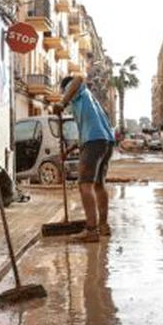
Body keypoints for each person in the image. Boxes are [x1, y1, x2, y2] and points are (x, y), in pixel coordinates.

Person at [53, 75, 115, 242]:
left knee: (84, 184)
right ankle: (103, 226)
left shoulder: (79, 91)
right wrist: (70, 150)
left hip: (94, 141)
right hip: (105, 141)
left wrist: (62, 102)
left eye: (64, 93)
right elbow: (84, 133)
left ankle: (91, 230)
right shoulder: (87, 102)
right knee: (99, 184)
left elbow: (79, 78)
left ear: (67, 90)